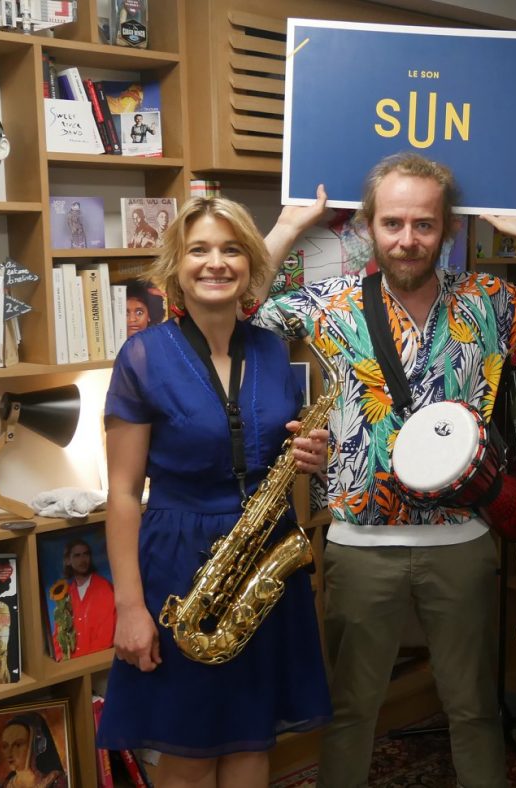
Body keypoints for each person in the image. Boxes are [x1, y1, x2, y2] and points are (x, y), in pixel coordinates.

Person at [250, 152, 516, 788]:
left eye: (424, 225)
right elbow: (235, 313)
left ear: (448, 229)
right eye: (392, 223)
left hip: (464, 540)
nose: (407, 239)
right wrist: (287, 229)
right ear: (369, 226)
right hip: (358, 545)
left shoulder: (490, 300)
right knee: (351, 716)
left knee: (475, 712)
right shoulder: (332, 303)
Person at [97, 195, 332, 787]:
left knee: (253, 736)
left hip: (263, 557)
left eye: (231, 250)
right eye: (199, 250)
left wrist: (312, 455)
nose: (215, 263)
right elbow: (123, 493)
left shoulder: (271, 349)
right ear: (177, 265)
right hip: (179, 563)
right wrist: (129, 608)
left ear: (250, 265)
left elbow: (284, 449)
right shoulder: (142, 356)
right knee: (191, 745)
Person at [51, 538, 115, 660]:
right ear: (68, 561)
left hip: (95, 663)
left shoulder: (103, 588)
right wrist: (61, 659)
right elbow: (58, 635)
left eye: (86, 554)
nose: (83, 560)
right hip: (70, 665)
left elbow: (106, 637)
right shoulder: (66, 594)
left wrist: (83, 664)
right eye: (77, 556)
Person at [0, 713, 68, 788]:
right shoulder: (5, 785)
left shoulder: (56, 782)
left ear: (37, 745)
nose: (9, 753)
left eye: (18, 745)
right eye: (5, 746)